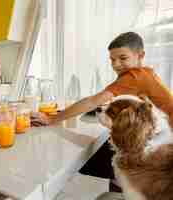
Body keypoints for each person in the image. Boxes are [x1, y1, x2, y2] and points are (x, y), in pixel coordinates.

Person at [40, 31, 173, 193]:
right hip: (158, 137)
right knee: (109, 154)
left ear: (140, 55)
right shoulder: (145, 73)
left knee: (98, 156)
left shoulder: (135, 76)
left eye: (123, 58)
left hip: (164, 142)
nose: (116, 64)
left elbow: (93, 101)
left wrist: (52, 119)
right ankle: (117, 188)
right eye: (112, 59)